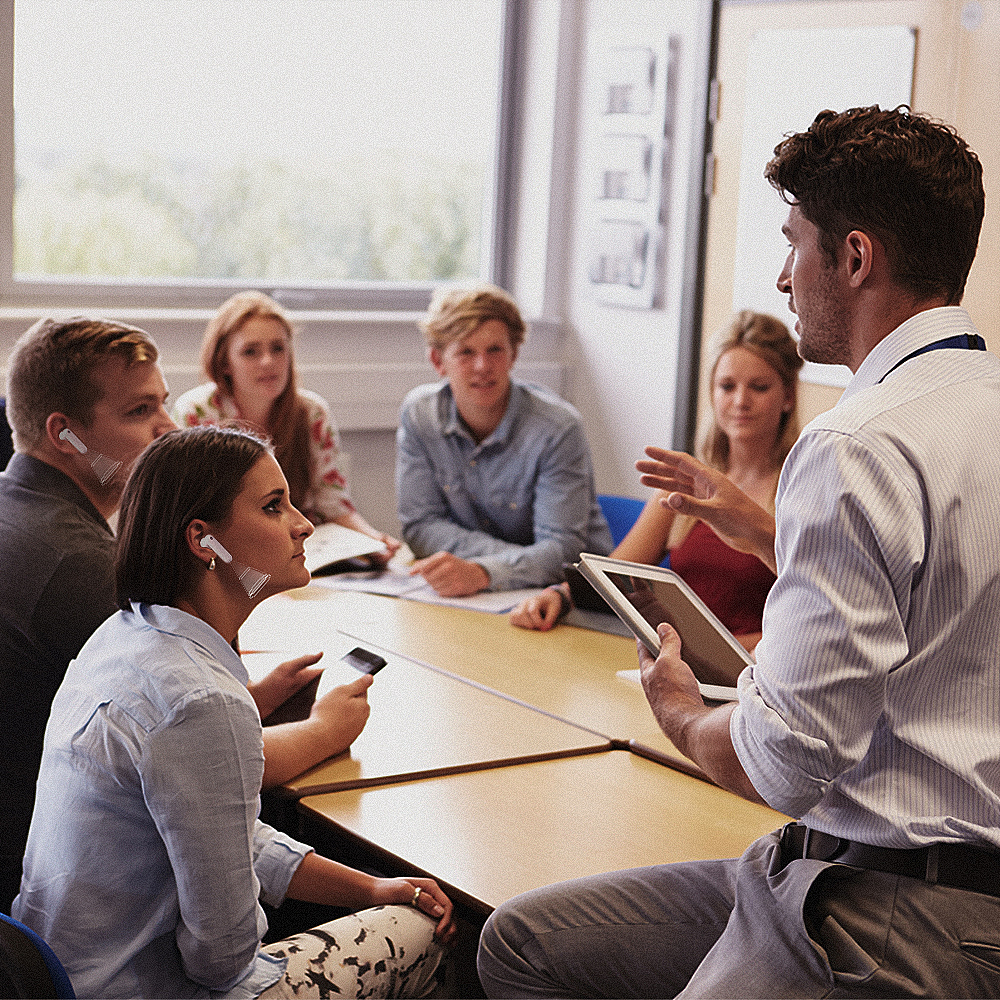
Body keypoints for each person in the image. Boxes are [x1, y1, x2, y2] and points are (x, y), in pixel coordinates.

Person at [478, 105, 1000, 998]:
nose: (784, 277)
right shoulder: (972, 410)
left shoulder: (855, 445)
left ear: (857, 257)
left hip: (873, 909)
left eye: (795, 243)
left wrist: (682, 714)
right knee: (525, 939)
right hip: (921, 881)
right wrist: (764, 531)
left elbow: (789, 760)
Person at [13, 425, 456, 999]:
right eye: (274, 507)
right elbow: (221, 961)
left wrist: (369, 889)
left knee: (382, 908)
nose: (304, 524)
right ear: (204, 541)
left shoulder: (123, 635)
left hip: (66, 977)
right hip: (136, 990)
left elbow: (225, 836)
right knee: (435, 934)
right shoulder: (204, 701)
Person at [0, 317, 371, 914]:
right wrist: (327, 730)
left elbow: (152, 722)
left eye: (163, 405)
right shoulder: (78, 566)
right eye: (138, 411)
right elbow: (205, 768)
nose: (166, 428)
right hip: (62, 889)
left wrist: (248, 697)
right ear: (64, 436)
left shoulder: (19, 508)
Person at [510, 310, 802, 650]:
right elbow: (613, 576)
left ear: (787, 397)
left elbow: (815, 617)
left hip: (759, 673)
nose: (740, 401)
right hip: (679, 664)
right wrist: (559, 595)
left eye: (759, 387)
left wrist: (723, 650)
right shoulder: (685, 480)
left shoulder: (802, 489)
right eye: (727, 386)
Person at [396, 285, 612, 596]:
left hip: (570, 596)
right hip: (484, 593)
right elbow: (420, 526)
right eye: (466, 352)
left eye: (495, 350)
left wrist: (484, 571)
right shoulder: (419, 415)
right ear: (438, 360)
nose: (483, 366)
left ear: (513, 354)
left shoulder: (558, 428)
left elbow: (562, 551)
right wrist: (502, 564)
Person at [173, 290, 400, 559]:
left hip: (300, 551)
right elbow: (190, 515)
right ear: (224, 363)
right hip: (227, 555)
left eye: (278, 348)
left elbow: (334, 506)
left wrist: (373, 540)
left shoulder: (311, 413)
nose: (268, 361)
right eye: (250, 352)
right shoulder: (197, 413)